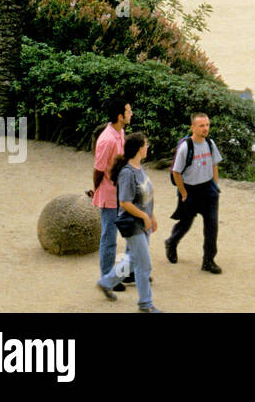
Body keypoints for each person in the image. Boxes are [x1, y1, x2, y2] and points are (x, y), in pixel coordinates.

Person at [96, 132, 160, 312]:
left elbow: (146, 196)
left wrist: (151, 216)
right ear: (140, 149)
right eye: (146, 145)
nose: (147, 147)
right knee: (144, 264)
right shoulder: (127, 173)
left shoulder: (139, 168)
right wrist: (145, 216)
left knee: (133, 260)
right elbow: (124, 202)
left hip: (143, 224)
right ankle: (145, 304)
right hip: (134, 225)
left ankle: (106, 282)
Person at [165, 112, 223, 274]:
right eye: (202, 125)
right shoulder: (186, 147)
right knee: (185, 223)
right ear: (193, 127)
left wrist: (215, 185)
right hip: (190, 190)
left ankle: (208, 260)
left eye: (207, 125)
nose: (206, 128)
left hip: (209, 190)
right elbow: (176, 172)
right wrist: (183, 194)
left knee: (212, 226)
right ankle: (171, 242)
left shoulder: (210, 143)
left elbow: (214, 164)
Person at [91, 99, 131, 292]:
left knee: (133, 231)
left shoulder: (120, 133)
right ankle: (107, 277)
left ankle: (126, 270)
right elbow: (98, 169)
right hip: (110, 194)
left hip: (121, 191)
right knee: (109, 237)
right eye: (128, 111)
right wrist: (97, 191)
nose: (131, 114)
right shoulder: (107, 139)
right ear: (119, 116)